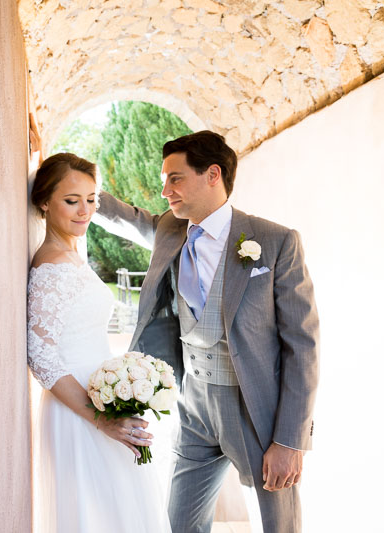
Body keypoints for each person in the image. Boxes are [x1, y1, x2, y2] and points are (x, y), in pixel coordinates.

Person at [94, 130, 320, 532]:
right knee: (181, 522)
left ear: (212, 174)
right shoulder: (170, 230)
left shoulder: (275, 241)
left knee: (279, 524)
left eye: (175, 178)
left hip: (256, 409)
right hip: (193, 406)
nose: (164, 190)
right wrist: (68, 176)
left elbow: (303, 346)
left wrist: (290, 439)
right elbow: (124, 216)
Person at [27, 152, 171, 533]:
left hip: (104, 399)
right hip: (79, 410)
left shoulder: (72, 254)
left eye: (91, 200)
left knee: (122, 512)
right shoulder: (51, 267)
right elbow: (41, 357)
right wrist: (101, 419)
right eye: (71, 201)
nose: (84, 211)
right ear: (44, 202)